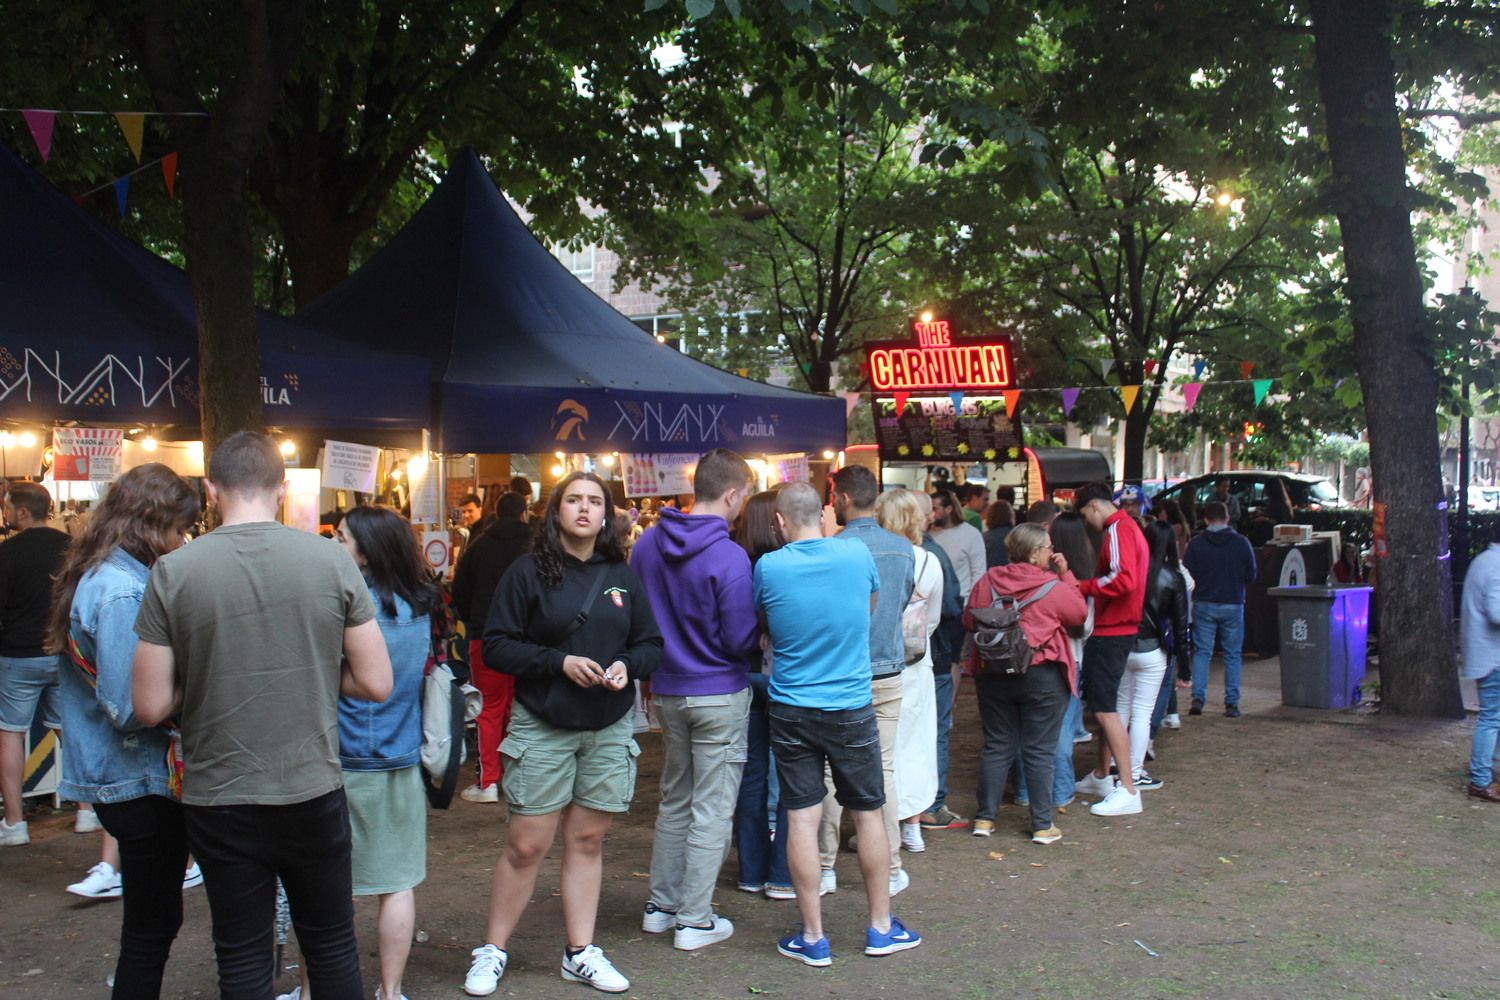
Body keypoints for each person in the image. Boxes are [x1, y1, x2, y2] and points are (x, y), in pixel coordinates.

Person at [132, 431, 394, 1000]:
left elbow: (149, 705)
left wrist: (206, 678)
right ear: (281, 489)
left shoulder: (173, 572)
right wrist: (311, 671)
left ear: (210, 490)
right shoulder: (330, 560)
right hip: (311, 787)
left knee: (243, 958)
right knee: (330, 947)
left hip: (219, 794)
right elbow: (377, 681)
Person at [465, 472, 662, 996]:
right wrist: (558, 662)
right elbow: (497, 644)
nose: (584, 509)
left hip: (607, 725)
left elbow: (650, 642)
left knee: (588, 839)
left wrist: (626, 665)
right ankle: (493, 949)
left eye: (594, 501)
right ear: (554, 512)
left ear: (606, 515)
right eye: (573, 499)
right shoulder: (527, 572)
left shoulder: (622, 574)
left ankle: (580, 952)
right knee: (527, 844)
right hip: (544, 723)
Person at [48, 464, 200, 997]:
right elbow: (133, 706)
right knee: (152, 925)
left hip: (128, 776)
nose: (182, 541)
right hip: (134, 778)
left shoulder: (105, 573)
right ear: (149, 521)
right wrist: (198, 678)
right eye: (178, 529)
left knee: (152, 922)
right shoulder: (119, 590)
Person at [754, 483, 921, 966]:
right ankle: (880, 929)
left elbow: (767, 621)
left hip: (790, 707)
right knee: (868, 811)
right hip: (850, 702)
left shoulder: (769, 567)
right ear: (825, 516)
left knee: (802, 817)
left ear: (780, 522)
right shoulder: (854, 555)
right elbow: (867, 611)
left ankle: (813, 937)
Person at [633, 449, 758, 952]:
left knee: (675, 800)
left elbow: (638, 620)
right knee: (711, 807)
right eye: (744, 497)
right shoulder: (730, 555)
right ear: (731, 494)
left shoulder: (645, 545)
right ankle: (694, 918)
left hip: (667, 690)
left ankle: (661, 907)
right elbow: (739, 638)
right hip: (720, 691)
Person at [334, 506, 437, 1000]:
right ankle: (391, 991)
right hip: (402, 752)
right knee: (396, 883)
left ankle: (316, 991)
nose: (335, 544)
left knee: (327, 887)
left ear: (367, 549)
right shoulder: (418, 604)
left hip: (348, 756)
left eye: (342, 537)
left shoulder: (352, 605)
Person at [822, 465, 914, 897]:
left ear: (841, 499)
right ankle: (891, 866)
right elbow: (901, 604)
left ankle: (824, 865)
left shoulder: (829, 549)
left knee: (825, 772)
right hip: (888, 670)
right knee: (885, 768)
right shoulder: (903, 549)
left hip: (841, 673)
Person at [965, 523, 1086, 844]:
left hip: (993, 671)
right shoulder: (1053, 586)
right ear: (1035, 553)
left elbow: (969, 620)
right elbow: (1078, 615)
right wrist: (1067, 575)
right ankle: (1042, 825)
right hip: (1042, 674)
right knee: (1039, 749)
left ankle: (984, 819)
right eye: (1048, 547)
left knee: (997, 744)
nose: (1052, 551)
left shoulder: (987, 581)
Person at [0, 481, 72, 847]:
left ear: (23, 512)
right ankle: (91, 810)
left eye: (8, 506)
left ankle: (14, 823)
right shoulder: (71, 549)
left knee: (11, 733)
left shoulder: (6, 553)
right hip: (62, 655)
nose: (6, 513)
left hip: (16, 657)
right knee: (69, 732)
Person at [1071, 482, 1149, 817]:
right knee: (1107, 706)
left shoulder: (1117, 529)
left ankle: (1128, 788)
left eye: (1085, 516)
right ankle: (1103, 775)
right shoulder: (1129, 528)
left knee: (1105, 709)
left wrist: (1083, 586)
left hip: (1113, 629)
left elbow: (1123, 579)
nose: (1087, 524)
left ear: (1093, 507)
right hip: (1121, 627)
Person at [450, 492, 533, 803]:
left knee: (489, 707)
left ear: (495, 514)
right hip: (529, 638)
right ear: (524, 513)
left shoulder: (479, 545)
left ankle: (488, 782)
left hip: (485, 636)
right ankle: (521, 779)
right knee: (523, 706)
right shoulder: (537, 545)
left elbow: (459, 589)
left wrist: (473, 618)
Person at [875, 489, 943, 854]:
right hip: (917, 661)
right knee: (916, 743)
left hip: (878, 661)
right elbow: (931, 619)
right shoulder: (929, 561)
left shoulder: (874, 556)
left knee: (883, 748)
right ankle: (913, 824)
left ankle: (882, 829)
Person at [730, 491, 791, 897]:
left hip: (743, 675)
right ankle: (783, 873)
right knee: (790, 774)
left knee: (749, 775)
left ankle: (751, 870)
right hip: (785, 679)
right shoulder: (786, 567)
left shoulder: (734, 564)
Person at [1117, 521, 1190, 791]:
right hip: (1153, 649)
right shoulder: (1173, 576)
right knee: (1142, 713)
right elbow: (1181, 626)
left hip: (1124, 644)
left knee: (1122, 705)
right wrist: (1185, 668)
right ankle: (1134, 771)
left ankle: (1117, 763)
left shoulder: (1131, 570)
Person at [911, 491, 967, 834]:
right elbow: (951, 607)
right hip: (932, 656)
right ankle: (931, 805)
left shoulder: (900, 552)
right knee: (933, 730)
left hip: (902, 660)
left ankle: (912, 808)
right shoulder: (931, 554)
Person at [1182, 500, 1258, 718]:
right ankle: (1232, 703)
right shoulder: (1242, 543)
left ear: (1205, 519)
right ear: (1227, 518)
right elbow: (1251, 575)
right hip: (1233, 603)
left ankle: (1198, 699)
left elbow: (1188, 575)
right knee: (1232, 655)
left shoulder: (1196, 544)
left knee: (1202, 652)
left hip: (1204, 603)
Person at [1462, 523, 1500, 802]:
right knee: (1491, 717)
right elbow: (1496, 613)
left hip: (1485, 654)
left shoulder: (1483, 561)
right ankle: (1481, 779)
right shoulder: (1497, 566)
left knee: (1493, 716)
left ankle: (1485, 772)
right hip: (1493, 656)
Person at [983, 499, 1016, 568]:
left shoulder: (984, 537)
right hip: (1013, 576)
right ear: (1010, 516)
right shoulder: (1018, 535)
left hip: (991, 576)